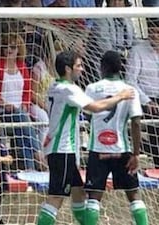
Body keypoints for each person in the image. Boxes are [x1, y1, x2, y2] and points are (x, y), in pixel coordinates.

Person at [36, 50, 135, 225]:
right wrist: (120, 96)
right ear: (68, 69)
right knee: (56, 197)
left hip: (58, 148)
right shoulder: (69, 89)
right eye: (79, 66)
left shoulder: (54, 86)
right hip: (62, 149)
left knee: (79, 192)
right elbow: (95, 107)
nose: (82, 69)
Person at [83, 50, 148, 225]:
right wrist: (136, 154)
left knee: (94, 197)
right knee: (134, 194)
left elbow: (88, 114)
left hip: (98, 149)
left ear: (101, 67)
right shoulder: (130, 90)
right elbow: (136, 122)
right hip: (122, 149)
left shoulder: (92, 88)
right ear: (121, 68)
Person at [0, 33, 45, 171]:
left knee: (22, 125)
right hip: (1, 109)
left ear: (19, 49)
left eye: (13, 47)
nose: (9, 50)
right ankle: (39, 156)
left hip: (19, 111)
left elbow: (27, 91)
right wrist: (2, 103)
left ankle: (30, 170)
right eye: (6, 47)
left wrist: (25, 105)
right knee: (22, 119)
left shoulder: (22, 66)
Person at [125, 18, 159, 168]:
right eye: (151, 32)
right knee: (154, 118)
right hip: (146, 98)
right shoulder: (137, 51)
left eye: (157, 32)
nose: (155, 36)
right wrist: (147, 101)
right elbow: (130, 81)